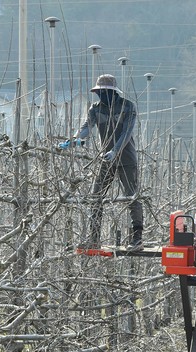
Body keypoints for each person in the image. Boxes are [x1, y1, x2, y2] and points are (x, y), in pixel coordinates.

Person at [73, 74, 143, 251]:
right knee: (96, 196)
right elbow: (87, 126)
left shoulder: (127, 107)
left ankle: (137, 238)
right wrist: (76, 139)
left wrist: (115, 151)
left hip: (126, 159)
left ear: (113, 92)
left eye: (104, 92)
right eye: (99, 92)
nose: (101, 95)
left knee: (131, 196)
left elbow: (126, 132)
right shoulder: (95, 109)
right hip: (106, 159)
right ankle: (94, 237)